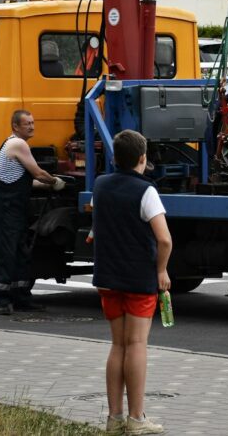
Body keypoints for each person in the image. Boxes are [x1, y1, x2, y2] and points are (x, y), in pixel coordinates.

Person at [92, 129, 172, 435]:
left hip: (108, 277)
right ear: (143, 159)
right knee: (137, 344)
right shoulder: (146, 191)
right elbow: (164, 240)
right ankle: (137, 419)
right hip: (138, 278)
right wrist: (162, 271)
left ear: (115, 157)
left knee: (117, 345)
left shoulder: (100, 185)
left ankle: (114, 418)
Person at [0, 109, 62, 315]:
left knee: (21, 250)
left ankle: (21, 296)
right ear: (15, 126)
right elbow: (38, 173)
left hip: (14, 206)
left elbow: (24, 181)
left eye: (33, 122)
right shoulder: (18, 144)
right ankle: (2, 300)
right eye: (27, 123)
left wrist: (45, 185)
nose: (32, 126)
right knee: (7, 251)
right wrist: (56, 182)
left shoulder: (13, 144)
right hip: (8, 207)